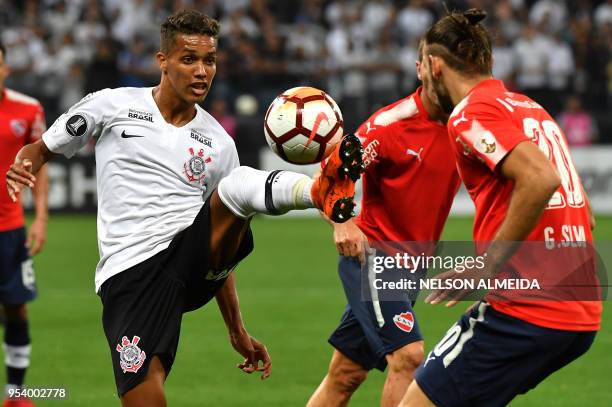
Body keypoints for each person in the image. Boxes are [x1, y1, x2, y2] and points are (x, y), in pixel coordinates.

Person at [5, 10, 362, 407]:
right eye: (189, 59)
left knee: (237, 183)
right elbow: (39, 149)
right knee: (145, 397)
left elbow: (224, 228)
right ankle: (319, 188)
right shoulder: (111, 106)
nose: (202, 71)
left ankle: (319, 190)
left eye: (209, 60)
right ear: (163, 61)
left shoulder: (217, 142)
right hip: (131, 277)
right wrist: (24, 165)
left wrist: (237, 327)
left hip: (191, 260)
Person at [399, 9, 601, 407]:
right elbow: (586, 213)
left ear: (435, 66)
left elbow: (541, 179)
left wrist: (486, 267)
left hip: (530, 313)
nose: (420, 79)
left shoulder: (470, 115)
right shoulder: (530, 109)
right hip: (579, 310)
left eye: (422, 67)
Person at [307, 42, 460, 407]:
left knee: (345, 375)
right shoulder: (390, 125)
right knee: (408, 355)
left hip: (415, 264)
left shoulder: (466, 124)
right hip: (376, 257)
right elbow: (330, 176)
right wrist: (342, 221)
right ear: (421, 69)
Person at [0, 41, 48, 407]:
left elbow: (39, 165)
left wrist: (41, 217)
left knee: (17, 307)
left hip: (11, 228)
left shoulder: (28, 109)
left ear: (5, 68)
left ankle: (15, 394)